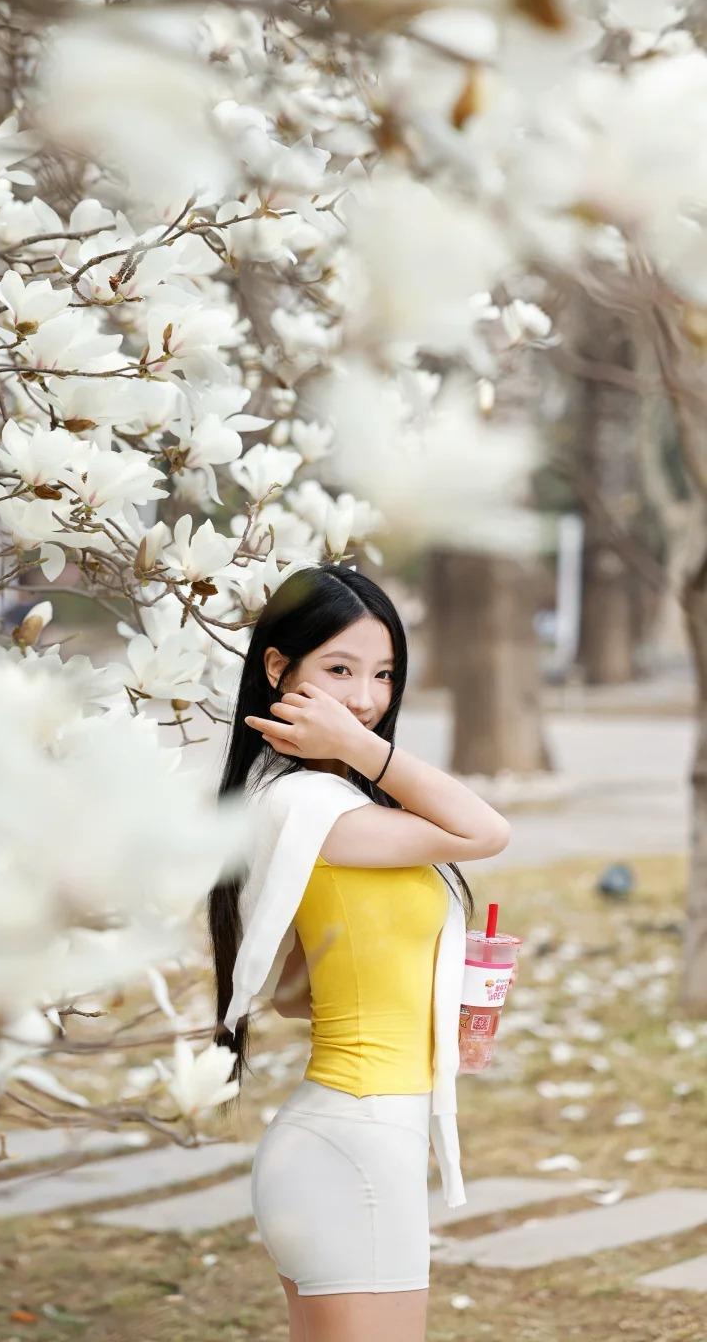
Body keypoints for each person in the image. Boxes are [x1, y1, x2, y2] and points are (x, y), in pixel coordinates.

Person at [206, 563, 511, 1342]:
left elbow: (296, 988)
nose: (368, 700)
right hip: (359, 1143)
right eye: (339, 670)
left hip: (351, 1135)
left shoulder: (317, 802)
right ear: (278, 669)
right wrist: (365, 751)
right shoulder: (310, 803)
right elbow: (485, 830)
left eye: (384, 674)